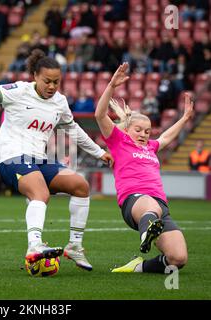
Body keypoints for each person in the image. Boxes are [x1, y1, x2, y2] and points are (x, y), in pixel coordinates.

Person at [0, 49, 113, 271]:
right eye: (47, 81)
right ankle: (34, 246)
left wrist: (99, 152)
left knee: (80, 186)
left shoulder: (60, 102)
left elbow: (73, 130)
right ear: (35, 76)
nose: (52, 86)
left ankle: (74, 246)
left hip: (39, 160)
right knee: (41, 194)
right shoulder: (19, 90)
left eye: (56, 82)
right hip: (11, 157)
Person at [94, 62, 192, 273]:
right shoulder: (119, 141)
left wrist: (184, 118)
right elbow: (100, 115)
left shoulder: (151, 147)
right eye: (139, 130)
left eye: (147, 131)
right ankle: (146, 231)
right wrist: (111, 85)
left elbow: (165, 137)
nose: (144, 134)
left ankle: (139, 266)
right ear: (127, 129)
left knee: (178, 258)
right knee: (150, 205)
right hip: (135, 201)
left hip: (159, 207)